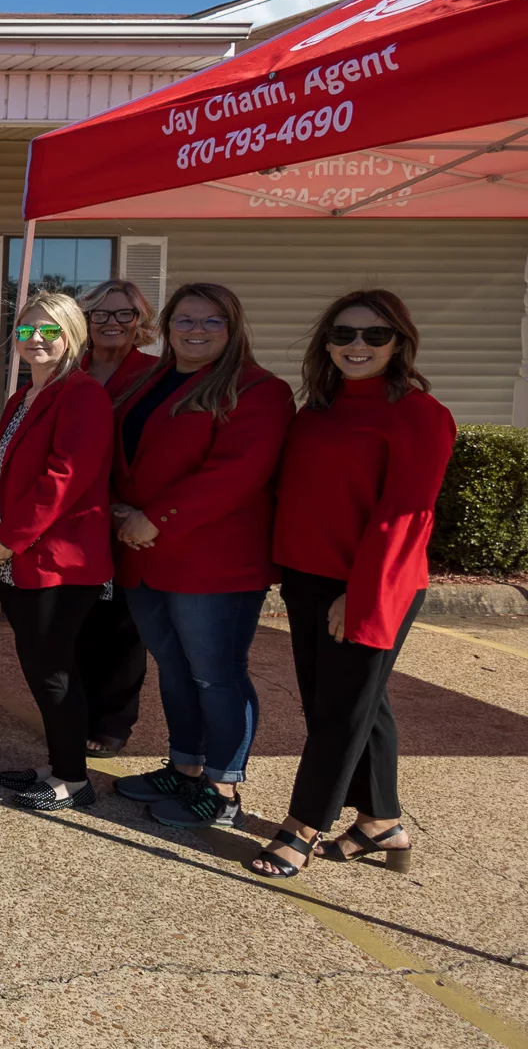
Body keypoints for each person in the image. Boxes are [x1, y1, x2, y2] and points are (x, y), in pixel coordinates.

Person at [249, 291, 452, 878]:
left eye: (373, 335)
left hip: (371, 581)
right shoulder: (319, 408)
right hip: (308, 578)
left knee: (339, 710)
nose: (356, 346)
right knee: (358, 704)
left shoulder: (420, 414)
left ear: (400, 342)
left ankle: (302, 827)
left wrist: (360, 593)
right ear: (327, 344)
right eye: (343, 335)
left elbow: (406, 515)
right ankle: (380, 822)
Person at [110, 282, 293, 829]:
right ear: (166, 328)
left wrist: (155, 518)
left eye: (211, 322)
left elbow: (234, 474)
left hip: (211, 562)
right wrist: (120, 508)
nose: (195, 330)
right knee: (173, 667)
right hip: (144, 554)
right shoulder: (147, 380)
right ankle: (185, 767)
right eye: (184, 320)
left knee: (216, 674)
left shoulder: (259, 389)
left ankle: (223, 789)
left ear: (233, 329)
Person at [0, 293, 116, 811]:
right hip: (16, 554)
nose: (36, 338)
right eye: (28, 329)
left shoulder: (82, 395)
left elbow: (63, 479)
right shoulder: (23, 396)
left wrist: (6, 539)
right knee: (39, 666)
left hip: (58, 560)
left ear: (72, 336)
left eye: (50, 330)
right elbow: (1, 471)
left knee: (53, 669)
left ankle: (74, 781)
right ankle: (58, 765)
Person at [73, 280, 162, 757]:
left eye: (124, 315)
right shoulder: (70, 370)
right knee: (78, 618)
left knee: (124, 625)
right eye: (101, 314)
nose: (111, 323)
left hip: (128, 515)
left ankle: (112, 722)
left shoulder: (157, 373)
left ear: (140, 323)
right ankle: (76, 710)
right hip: (77, 512)